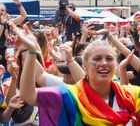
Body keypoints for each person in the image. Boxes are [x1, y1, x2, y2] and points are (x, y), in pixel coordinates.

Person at [9, 21, 140, 125]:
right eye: (97, 59)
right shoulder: (69, 95)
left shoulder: (131, 95)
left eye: (109, 59)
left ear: (115, 65)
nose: (104, 63)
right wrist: (31, 52)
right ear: (85, 66)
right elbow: (29, 95)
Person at [0, 0, 27, 68]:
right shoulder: (4, 22)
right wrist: (2, 23)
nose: (0, 12)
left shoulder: (8, 22)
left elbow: (23, 16)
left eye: (2, 10)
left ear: (5, 12)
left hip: (5, 53)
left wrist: (19, 5)